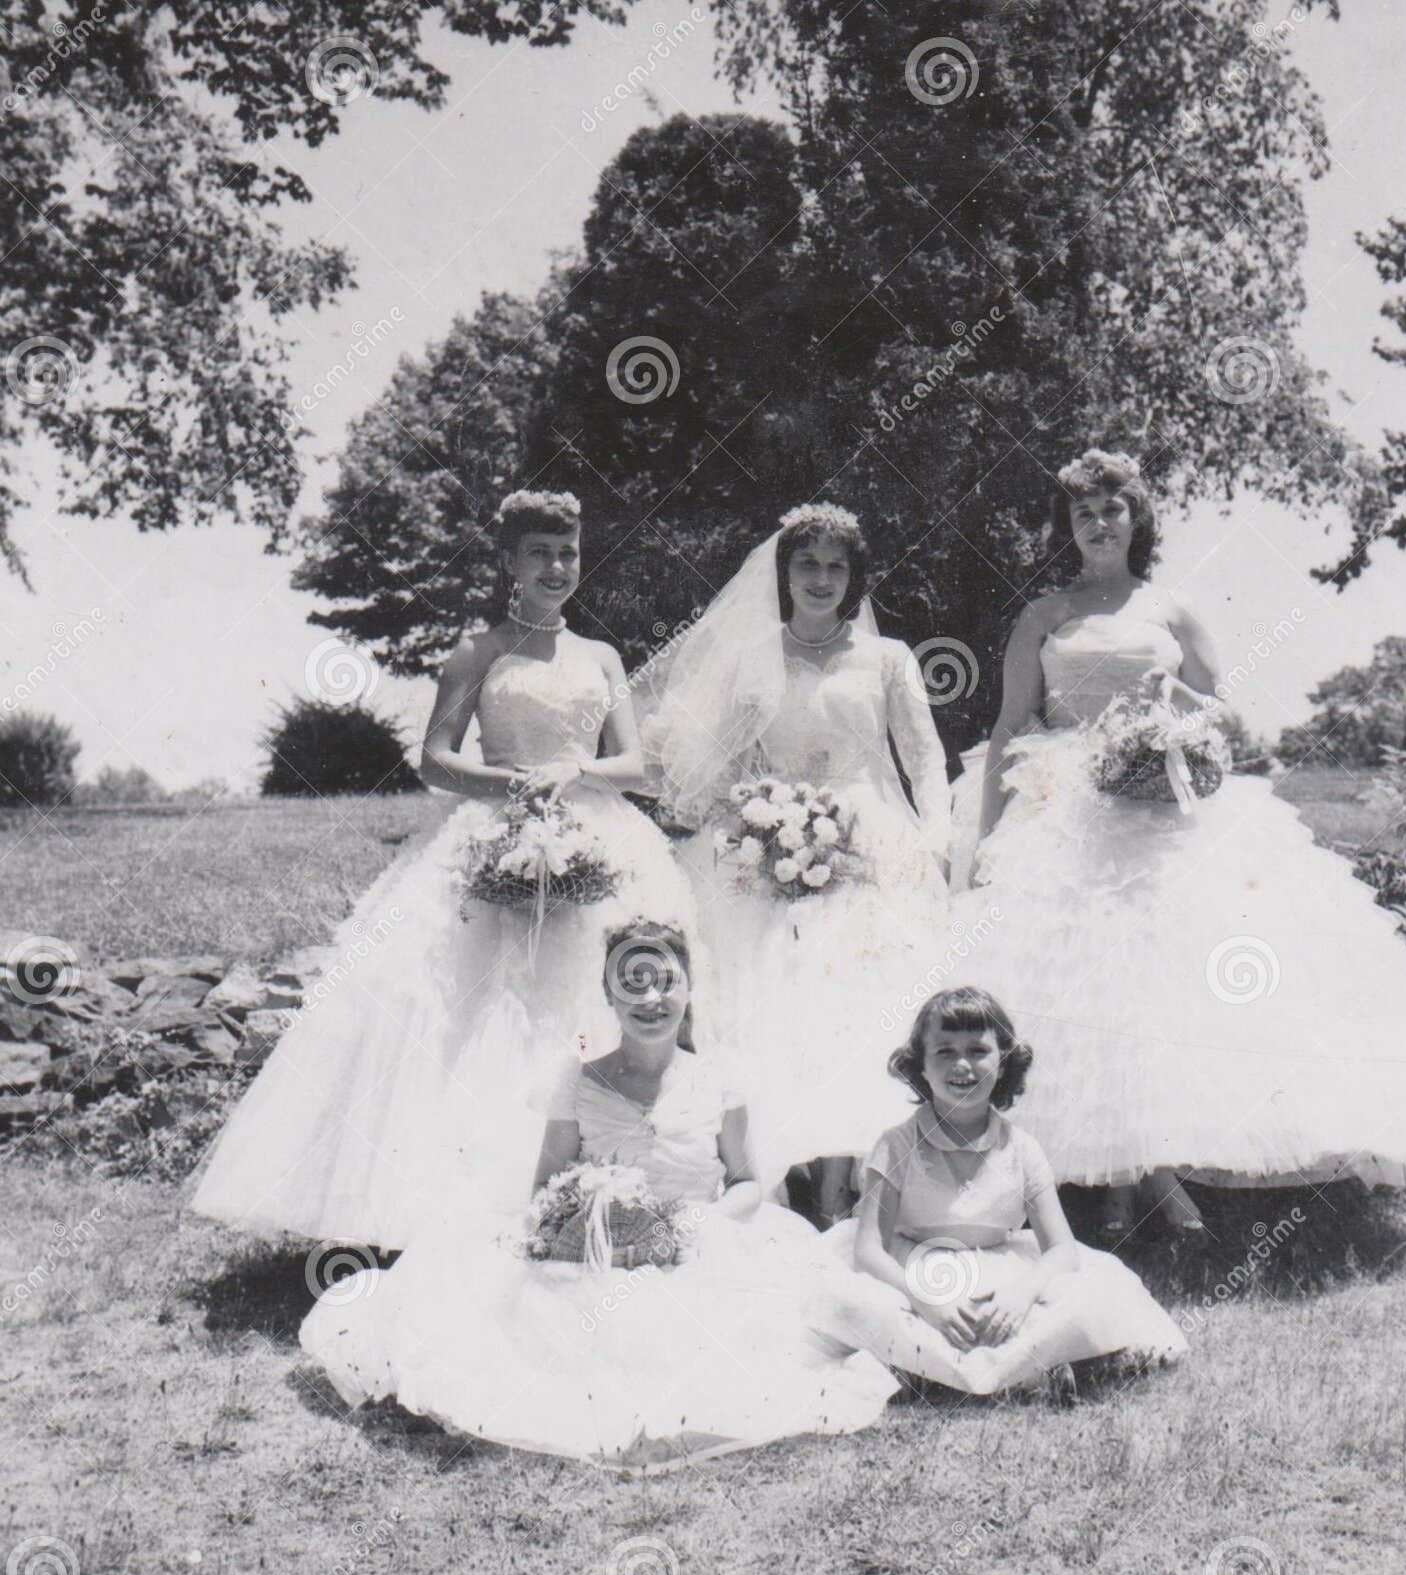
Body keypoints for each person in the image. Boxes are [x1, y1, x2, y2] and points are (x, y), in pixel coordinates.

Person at [955, 449, 1406, 1237]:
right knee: (1086, 987)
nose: (1098, 524)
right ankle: (1116, 1185)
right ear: (1067, 529)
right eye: (1083, 513)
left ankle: (1155, 1177)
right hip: (1066, 810)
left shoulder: (1172, 611)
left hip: (1163, 801)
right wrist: (986, 839)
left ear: (1135, 519)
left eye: (1112, 509)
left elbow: (1215, 713)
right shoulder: (1044, 615)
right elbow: (1012, 726)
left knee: (1174, 985)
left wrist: (1165, 710)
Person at [191, 491, 696, 1249]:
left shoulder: (601, 657)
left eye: (568, 553)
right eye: (539, 553)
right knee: (467, 1010)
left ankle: (601, 1194)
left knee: (588, 999)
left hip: (594, 830)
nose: (556, 568)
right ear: (508, 564)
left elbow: (634, 763)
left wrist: (576, 771)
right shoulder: (478, 651)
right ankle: (453, 1212)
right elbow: (435, 757)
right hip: (495, 833)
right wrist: (512, 785)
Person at [300, 921, 898, 1470]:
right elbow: (546, 1185)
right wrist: (589, 1217)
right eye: (630, 983)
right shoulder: (579, 1079)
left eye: (665, 981)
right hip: (603, 1244)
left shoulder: (720, 1076)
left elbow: (744, 1181)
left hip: (699, 1235)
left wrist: (701, 1224)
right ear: (609, 995)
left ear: (689, 989)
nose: (649, 999)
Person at [644, 502, 952, 1224]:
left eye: (834, 567)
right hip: (772, 844)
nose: (820, 579)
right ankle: (782, 1171)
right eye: (806, 564)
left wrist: (934, 841)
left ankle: (851, 1179)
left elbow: (925, 757)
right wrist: (755, 818)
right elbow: (712, 760)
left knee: (856, 1007)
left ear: (854, 577)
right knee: (773, 1006)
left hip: (869, 841)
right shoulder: (751, 661)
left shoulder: (887, 659)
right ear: (783, 573)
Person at [812, 986, 1186, 1396]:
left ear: (1004, 1062)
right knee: (855, 1303)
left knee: (1100, 1288)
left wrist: (1022, 1294)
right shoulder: (895, 1145)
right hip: (915, 1268)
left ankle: (955, 1367)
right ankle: (981, 1367)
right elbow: (868, 1251)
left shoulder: (1022, 1148)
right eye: (944, 1051)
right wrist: (924, 1301)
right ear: (919, 1066)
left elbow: (1061, 1249)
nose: (962, 1065)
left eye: (978, 1050)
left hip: (1001, 1270)